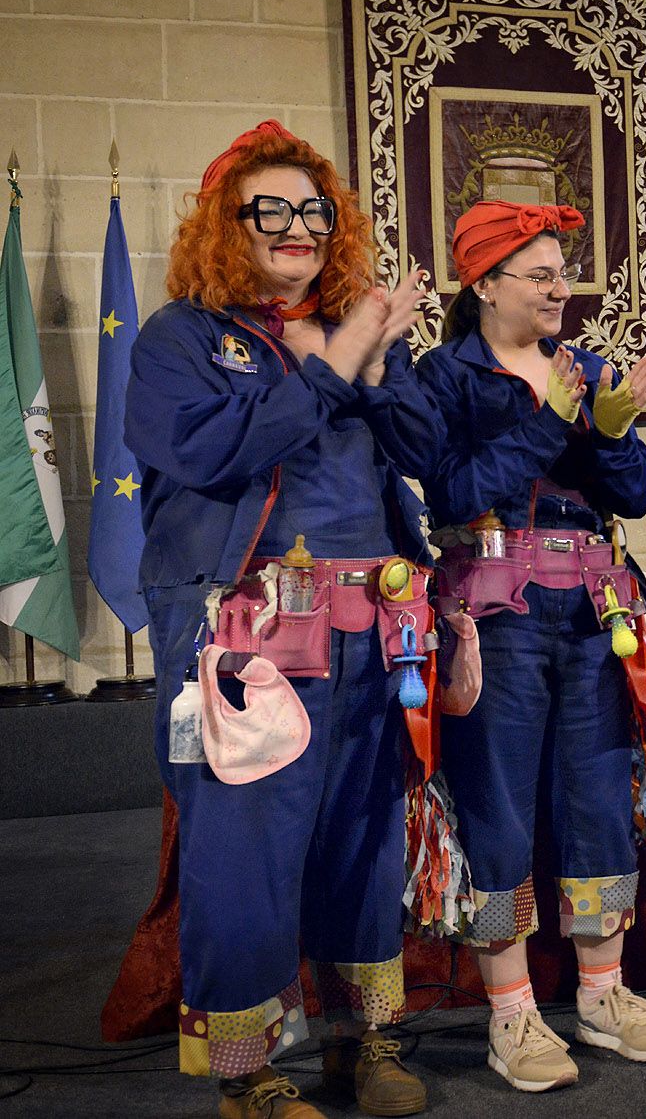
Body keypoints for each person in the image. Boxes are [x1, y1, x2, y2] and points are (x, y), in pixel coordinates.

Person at [127, 121, 436, 1119]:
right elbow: (213, 451)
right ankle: (245, 1073)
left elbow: (430, 450)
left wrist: (377, 366)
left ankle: (364, 1042)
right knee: (245, 850)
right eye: (273, 208)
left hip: (371, 628)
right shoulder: (180, 336)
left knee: (363, 838)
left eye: (315, 209)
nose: (299, 225)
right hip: (250, 637)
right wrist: (333, 360)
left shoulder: (357, 327)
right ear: (227, 224)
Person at [415, 201, 646, 1088]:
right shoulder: (447, 374)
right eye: (539, 273)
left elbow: (633, 490)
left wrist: (603, 426)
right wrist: (551, 417)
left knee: (599, 793)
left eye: (563, 271)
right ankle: (513, 1013)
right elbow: (451, 492)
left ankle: (603, 993)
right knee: (500, 806)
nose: (560, 286)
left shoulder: (585, 364)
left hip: (591, 608)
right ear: (485, 285)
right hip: (499, 612)